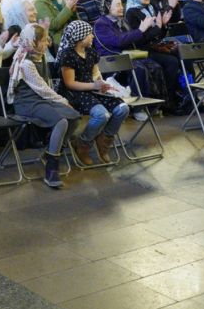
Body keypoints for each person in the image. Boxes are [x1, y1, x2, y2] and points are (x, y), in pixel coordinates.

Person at [7, 25, 80, 188]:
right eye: (43, 40)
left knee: (74, 116)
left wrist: (60, 101)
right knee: (61, 121)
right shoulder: (25, 63)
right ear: (33, 42)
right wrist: (61, 100)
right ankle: (52, 166)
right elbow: (42, 88)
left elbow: (45, 88)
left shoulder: (41, 57)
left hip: (41, 100)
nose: (47, 43)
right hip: (27, 103)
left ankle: (50, 150)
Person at [56, 20, 130, 165]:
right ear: (79, 37)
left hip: (92, 89)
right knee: (101, 114)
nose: (92, 36)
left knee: (123, 108)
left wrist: (104, 85)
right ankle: (83, 144)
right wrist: (94, 86)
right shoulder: (68, 55)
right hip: (75, 93)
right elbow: (70, 83)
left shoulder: (91, 52)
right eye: (89, 34)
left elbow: (96, 74)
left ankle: (104, 140)